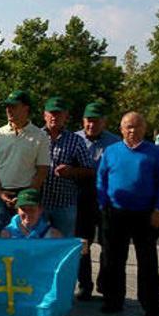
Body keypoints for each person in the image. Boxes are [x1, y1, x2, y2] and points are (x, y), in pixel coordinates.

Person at [97, 111, 159, 316]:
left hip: (145, 214)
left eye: (137, 126)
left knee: (147, 260)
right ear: (121, 129)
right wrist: (103, 205)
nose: (132, 130)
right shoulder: (111, 151)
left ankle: (151, 304)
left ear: (144, 129)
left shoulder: (154, 152)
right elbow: (101, 179)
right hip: (115, 212)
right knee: (113, 259)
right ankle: (113, 300)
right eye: (128, 126)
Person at [0, 188, 66, 316]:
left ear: (40, 209)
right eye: (23, 209)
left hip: (40, 286)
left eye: (32, 209)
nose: (27, 213)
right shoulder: (7, 233)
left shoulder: (53, 234)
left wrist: (80, 248)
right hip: (15, 285)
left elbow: (65, 259)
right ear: (17, 209)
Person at [0, 89, 50, 235]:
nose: (9, 110)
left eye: (13, 106)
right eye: (7, 106)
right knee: (2, 238)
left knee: (28, 238)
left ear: (26, 108)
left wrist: (25, 197)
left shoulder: (40, 136)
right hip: (2, 195)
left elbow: (42, 169)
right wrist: (0, 193)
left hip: (27, 196)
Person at [74, 101, 119, 300]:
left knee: (107, 243)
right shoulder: (74, 139)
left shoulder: (115, 142)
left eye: (96, 121)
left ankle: (105, 282)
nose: (91, 125)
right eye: (88, 121)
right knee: (83, 244)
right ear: (83, 121)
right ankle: (85, 284)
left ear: (104, 122)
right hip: (81, 197)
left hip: (106, 199)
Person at [39, 97, 94, 238]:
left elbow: (90, 171)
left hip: (65, 204)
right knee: (37, 245)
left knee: (64, 246)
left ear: (66, 116)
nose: (54, 117)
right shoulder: (35, 136)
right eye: (51, 113)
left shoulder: (76, 140)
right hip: (38, 204)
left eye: (59, 113)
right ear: (44, 115)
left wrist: (71, 171)